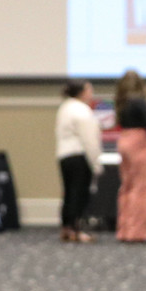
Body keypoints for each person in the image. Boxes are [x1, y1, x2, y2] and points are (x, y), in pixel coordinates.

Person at [54, 79, 102, 243]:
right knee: (79, 194)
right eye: (89, 90)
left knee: (68, 193)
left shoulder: (65, 108)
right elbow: (90, 139)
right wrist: (96, 163)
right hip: (79, 156)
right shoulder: (82, 110)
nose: (91, 93)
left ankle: (66, 227)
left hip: (64, 155)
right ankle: (76, 229)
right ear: (81, 92)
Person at [112, 71, 146, 243]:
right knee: (142, 188)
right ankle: (138, 231)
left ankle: (124, 229)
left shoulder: (120, 102)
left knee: (127, 186)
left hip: (124, 139)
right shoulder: (139, 101)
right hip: (140, 141)